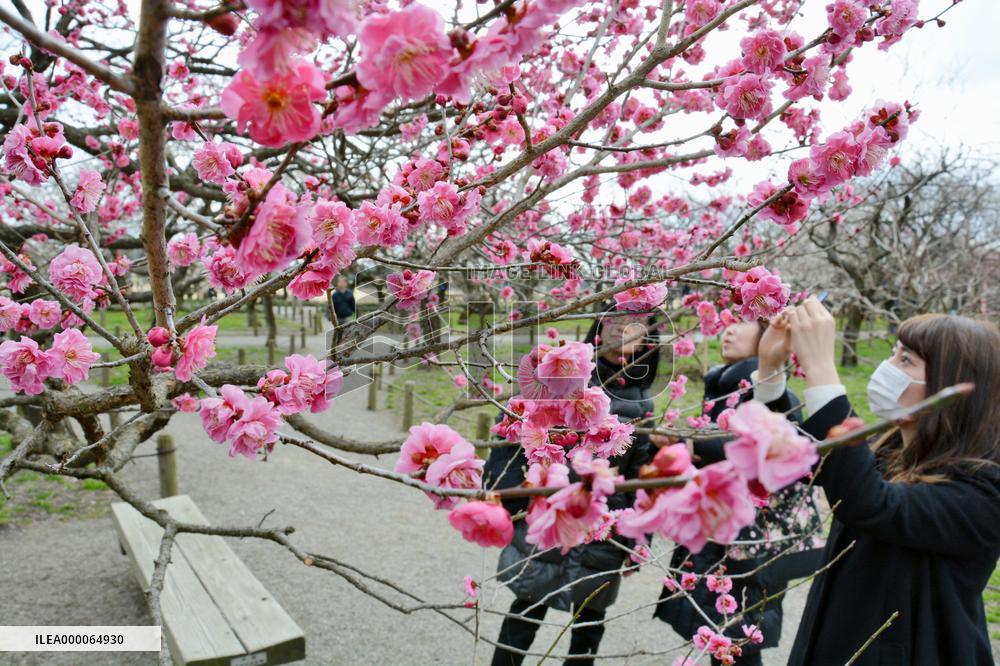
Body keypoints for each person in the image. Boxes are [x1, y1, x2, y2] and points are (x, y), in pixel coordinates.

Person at [757, 298, 1000, 665]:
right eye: (893, 354)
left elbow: (868, 503)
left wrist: (822, 368)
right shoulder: (891, 454)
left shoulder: (984, 491)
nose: (888, 368)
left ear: (949, 386)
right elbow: (796, 459)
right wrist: (770, 370)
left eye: (906, 361)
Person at [485, 312, 658, 665]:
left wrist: (636, 540)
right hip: (547, 511)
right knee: (524, 612)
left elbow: (641, 477)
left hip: (602, 527)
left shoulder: (642, 404)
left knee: (590, 626)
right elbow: (513, 437)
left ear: (646, 346)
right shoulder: (563, 377)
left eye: (635, 333)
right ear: (598, 329)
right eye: (616, 326)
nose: (623, 337)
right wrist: (511, 493)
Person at [654, 320, 822, 666]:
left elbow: (765, 446)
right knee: (720, 636)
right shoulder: (721, 386)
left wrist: (694, 443)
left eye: (739, 323)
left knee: (737, 639)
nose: (727, 329)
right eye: (725, 322)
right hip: (718, 522)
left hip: (750, 537)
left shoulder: (778, 395)